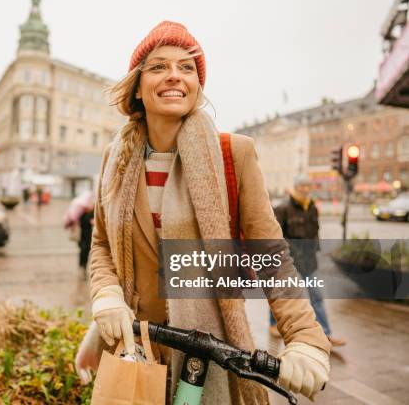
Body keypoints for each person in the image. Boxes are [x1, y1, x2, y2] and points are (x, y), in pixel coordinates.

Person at [74, 21, 331, 403]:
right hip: (133, 347)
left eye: (187, 67)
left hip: (205, 358)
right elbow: (102, 245)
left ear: (198, 84)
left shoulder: (233, 154)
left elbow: (272, 255)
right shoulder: (115, 158)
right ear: (138, 86)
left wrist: (306, 338)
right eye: (159, 66)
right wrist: (107, 295)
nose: (174, 76)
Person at [270, 176, 347, 347]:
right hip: (289, 260)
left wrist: (316, 251)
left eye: (307, 186)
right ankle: (273, 323)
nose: (305, 189)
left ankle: (326, 334)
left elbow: (315, 233)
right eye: (302, 185)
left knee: (316, 296)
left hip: (309, 261)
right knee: (282, 293)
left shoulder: (312, 208)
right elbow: (276, 235)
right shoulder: (283, 208)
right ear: (296, 187)